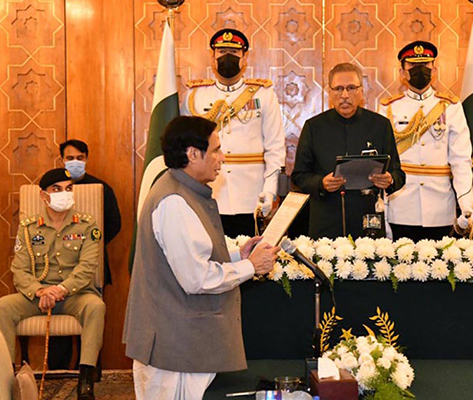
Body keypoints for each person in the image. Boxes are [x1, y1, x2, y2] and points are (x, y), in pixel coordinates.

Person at [123, 116, 279, 400]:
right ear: (193, 154)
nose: (222, 158)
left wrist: (236, 256)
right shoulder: (174, 201)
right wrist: (250, 267)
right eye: (216, 149)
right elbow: (197, 278)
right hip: (173, 345)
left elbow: (191, 257)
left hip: (179, 340)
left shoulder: (181, 191)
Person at [0, 168, 105, 400]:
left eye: (68, 189)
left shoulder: (87, 225)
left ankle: (85, 381)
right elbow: (19, 268)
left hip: (74, 295)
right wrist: (39, 290)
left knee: (96, 307)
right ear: (43, 195)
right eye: (56, 189)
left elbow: (87, 267)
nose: (64, 194)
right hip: (37, 296)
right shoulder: (29, 227)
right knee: (2, 307)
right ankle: (6, 379)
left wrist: (60, 289)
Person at [181, 28, 285, 238]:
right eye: (221, 51)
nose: (227, 57)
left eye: (234, 52)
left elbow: (275, 148)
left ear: (244, 57)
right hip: (209, 193)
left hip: (252, 196)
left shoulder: (263, 95)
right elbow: (186, 150)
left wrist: (270, 191)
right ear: (213, 56)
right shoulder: (195, 96)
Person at [292, 63, 405, 239]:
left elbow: (398, 174)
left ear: (362, 91)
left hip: (368, 220)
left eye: (351, 88)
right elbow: (299, 176)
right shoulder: (314, 127)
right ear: (330, 92)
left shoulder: (379, 125)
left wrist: (389, 180)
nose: (344, 95)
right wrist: (321, 183)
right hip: (325, 221)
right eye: (338, 89)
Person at [378, 40, 473, 241]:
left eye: (425, 66)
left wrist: (466, 205)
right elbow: (382, 162)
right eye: (413, 66)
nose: (419, 71)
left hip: (440, 208)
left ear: (434, 70)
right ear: (402, 72)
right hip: (401, 205)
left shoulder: (450, 107)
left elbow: (461, 161)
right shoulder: (389, 108)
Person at [47, 139, 121, 370]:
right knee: (58, 331)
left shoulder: (101, 188)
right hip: (57, 271)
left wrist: (89, 247)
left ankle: (89, 376)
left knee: (90, 324)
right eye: (70, 158)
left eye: (80, 157)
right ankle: (57, 374)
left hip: (92, 268)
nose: (75, 162)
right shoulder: (52, 189)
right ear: (61, 160)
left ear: (86, 158)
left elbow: (114, 223)